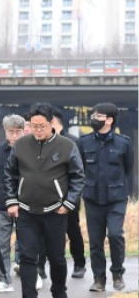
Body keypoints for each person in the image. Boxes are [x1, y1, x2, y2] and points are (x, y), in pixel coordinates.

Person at [4, 102, 85, 298]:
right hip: (26, 211)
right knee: (27, 257)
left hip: (55, 211)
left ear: (52, 124)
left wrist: (68, 204)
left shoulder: (67, 146)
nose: (37, 130)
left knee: (57, 258)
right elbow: (10, 174)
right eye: (33, 126)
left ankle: (60, 295)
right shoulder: (20, 145)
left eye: (42, 126)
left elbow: (78, 177)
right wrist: (12, 201)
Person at [79, 103, 134, 292]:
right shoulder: (84, 142)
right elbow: (80, 170)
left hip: (116, 198)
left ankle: (117, 274)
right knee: (95, 241)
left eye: (99, 116)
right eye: (93, 114)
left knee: (115, 234)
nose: (94, 118)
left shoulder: (123, 143)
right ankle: (99, 279)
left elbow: (128, 168)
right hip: (92, 198)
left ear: (110, 120)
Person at [0, 114, 26, 293]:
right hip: (0, 204)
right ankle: (4, 279)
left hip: (25, 204)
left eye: (18, 131)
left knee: (26, 242)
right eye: (11, 132)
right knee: (1, 245)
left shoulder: (30, 150)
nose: (14, 135)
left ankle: (30, 274)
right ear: (5, 132)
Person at [50, 108, 87, 279]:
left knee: (73, 229)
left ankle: (79, 263)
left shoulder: (73, 141)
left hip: (69, 193)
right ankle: (48, 266)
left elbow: (81, 169)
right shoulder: (42, 141)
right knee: (49, 231)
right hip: (49, 194)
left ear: (53, 121)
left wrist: (73, 194)